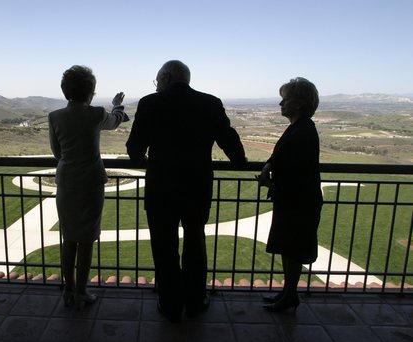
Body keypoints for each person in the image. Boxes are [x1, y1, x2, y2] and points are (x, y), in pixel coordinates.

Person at [126, 60, 247, 322]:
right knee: (195, 242)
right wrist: (240, 161)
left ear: (167, 77)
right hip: (196, 187)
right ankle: (194, 299)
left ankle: (169, 303)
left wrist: (145, 162)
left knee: (164, 246)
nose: (156, 84)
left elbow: (134, 149)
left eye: (157, 79)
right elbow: (230, 141)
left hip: (161, 188)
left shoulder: (149, 104)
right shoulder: (210, 103)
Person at [48, 65, 129, 308]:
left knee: (69, 238)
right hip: (91, 184)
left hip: (66, 182)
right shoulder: (96, 114)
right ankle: (82, 290)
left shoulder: (54, 117)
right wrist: (117, 104)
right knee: (86, 240)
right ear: (91, 91)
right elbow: (115, 121)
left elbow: (56, 152)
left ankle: (68, 290)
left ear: (65, 90)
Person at [256, 77, 323, 312]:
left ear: (300, 103)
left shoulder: (302, 131)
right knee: (289, 248)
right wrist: (268, 167)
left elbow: (295, 171)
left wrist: (271, 184)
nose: (280, 104)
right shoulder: (299, 127)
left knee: (292, 249)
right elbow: (280, 156)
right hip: (295, 201)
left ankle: (289, 296)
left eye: (285, 99)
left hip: (298, 202)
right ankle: (288, 293)